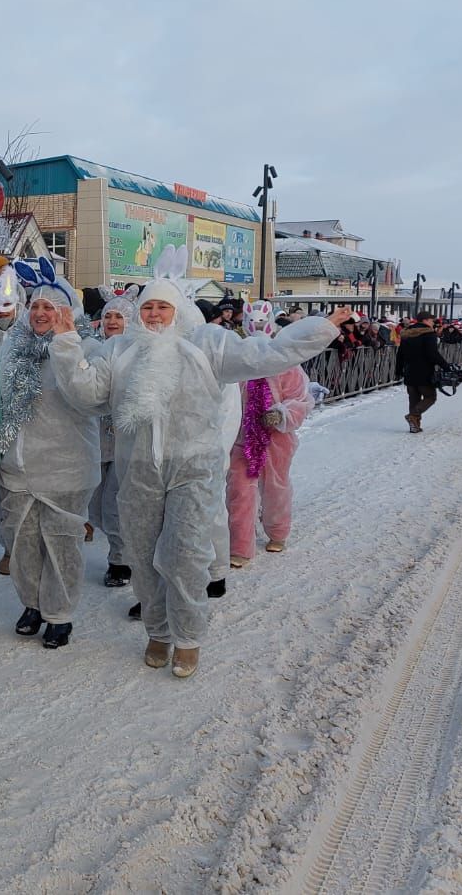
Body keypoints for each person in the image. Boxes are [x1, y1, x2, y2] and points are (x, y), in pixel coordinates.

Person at [50, 247, 345, 678]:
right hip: (138, 471)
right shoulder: (120, 351)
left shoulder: (206, 343)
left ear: (178, 309)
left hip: (194, 467)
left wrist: (319, 328)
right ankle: (158, 630)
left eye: (162, 306)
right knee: (144, 554)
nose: (154, 314)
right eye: (147, 306)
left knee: (186, 554)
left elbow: (264, 353)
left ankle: (188, 636)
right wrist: (65, 345)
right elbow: (87, 395)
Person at [0, 257, 102, 648]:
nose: (41, 313)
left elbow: (89, 399)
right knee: (22, 543)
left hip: (65, 468)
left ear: (66, 312)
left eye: (50, 307)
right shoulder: (13, 348)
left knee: (61, 543)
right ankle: (32, 604)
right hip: (18, 468)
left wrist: (66, 347)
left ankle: (60, 613)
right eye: (35, 306)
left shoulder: (86, 347)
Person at [226, 317, 314, 568]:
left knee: (275, 487)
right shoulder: (239, 365)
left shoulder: (288, 367)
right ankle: (240, 545)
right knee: (239, 490)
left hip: (277, 439)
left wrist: (282, 413)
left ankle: (277, 531)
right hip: (241, 437)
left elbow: (301, 399)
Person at [91, 297, 132, 588]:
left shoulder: (136, 352)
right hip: (95, 441)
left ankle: (121, 561)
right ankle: (125, 549)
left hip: (126, 444)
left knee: (114, 505)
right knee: (94, 508)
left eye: (119, 316)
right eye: (108, 316)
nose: (112, 321)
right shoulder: (93, 349)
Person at [396, 313, 449, 433]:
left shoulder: (406, 333)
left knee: (413, 398)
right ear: (425, 320)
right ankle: (413, 416)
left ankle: (415, 425)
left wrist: (398, 370)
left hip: (409, 371)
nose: (433, 323)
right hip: (424, 371)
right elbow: (433, 354)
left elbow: (400, 353)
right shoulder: (428, 334)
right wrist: (446, 366)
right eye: (431, 320)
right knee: (430, 396)